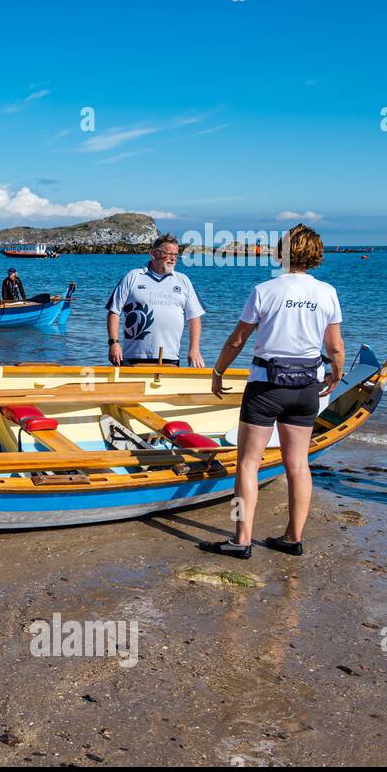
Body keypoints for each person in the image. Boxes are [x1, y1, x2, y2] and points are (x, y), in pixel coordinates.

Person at [205, 224, 344, 559]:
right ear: (316, 254)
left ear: (283, 252)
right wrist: (336, 377)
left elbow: (237, 339)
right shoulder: (327, 292)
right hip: (307, 386)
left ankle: (241, 540)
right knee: (297, 464)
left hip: (267, 386)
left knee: (247, 464)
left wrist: (218, 370)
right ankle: (293, 538)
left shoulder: (265, 290)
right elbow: (336, 347)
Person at [106, 234, 206, 367]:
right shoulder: (133, 276)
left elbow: (194, 317)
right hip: (134, 356)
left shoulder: (183, 281)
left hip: (169, 357)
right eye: (169, 254)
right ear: (154, 254)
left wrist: (194, 350)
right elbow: (114, 311)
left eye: (176, 255)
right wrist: (114, 343)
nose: (173, 259)